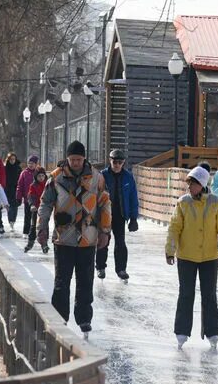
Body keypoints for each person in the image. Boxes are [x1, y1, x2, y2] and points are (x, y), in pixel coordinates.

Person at [37, 140, 111, 336]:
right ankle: (59, 320)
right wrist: (41, 227)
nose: (76, 163)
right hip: (64, 238)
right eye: (72, 159)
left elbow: (105, 204)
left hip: (88, 238)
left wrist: (105, 230)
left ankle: (84, 319)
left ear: (84, 158)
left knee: (86, 281)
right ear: (67, 158)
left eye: (79, 159)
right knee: (62, 282)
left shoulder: (96, 178)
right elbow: (45, 203)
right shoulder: (56, 177)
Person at [166, 166, 218, 350]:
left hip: (209, 257)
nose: (190, 187)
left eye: (193, 184)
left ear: (202, 184)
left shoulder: (216, 203)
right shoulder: (183, 203)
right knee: (186, 294)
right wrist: (170, 250)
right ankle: (182, 331)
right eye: (189, 183)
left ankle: (212, 332)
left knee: (209, 295)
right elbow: (174, 227)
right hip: (186, 256)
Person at [96, 148, 139, 281]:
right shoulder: (102, 175)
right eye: (115, 162)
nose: (117, 165)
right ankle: (100, 267)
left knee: (120, 242)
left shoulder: (128, 177)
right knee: (103, 240)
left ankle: (121, 269)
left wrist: (133, 218)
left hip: (120, 214)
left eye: (120, 162)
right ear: (110, 161)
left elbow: (133, 197)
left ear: (123, 163)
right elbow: (95, 196)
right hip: (105, 214)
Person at [23, 168, 49, 254]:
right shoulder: (33, 185)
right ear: (36, 177)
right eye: (39, 176)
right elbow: (30, 196)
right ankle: (30, 242)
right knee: (33, 226)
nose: (41, 178)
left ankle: (44, 244)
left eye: (43, 176)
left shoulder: (47, 184)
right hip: (36, 209)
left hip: (45, 209)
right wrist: (32, 205)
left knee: (44, 226)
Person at [16, 155, 40, 236]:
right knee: (27, 216)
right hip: (28, 199)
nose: (30, 165)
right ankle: (26, 232)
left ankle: (35, 232)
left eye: (32, 163)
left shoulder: (39, 173)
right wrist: (18, 197)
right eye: (29, 163)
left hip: (38, 199)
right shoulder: (24, 173)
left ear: (36, 164)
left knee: (36, 217)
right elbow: (20, 186)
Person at [4, 152, 22, 232]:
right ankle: (10, 221)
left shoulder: (18, 168)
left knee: (15, 206)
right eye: (11, 159)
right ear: (8, 160)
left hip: (16, 189)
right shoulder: (5, 168)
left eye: (13, 159)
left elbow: (21, 180)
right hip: (8, 189)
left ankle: (13, 221)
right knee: (10, 206)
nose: (12, 161)